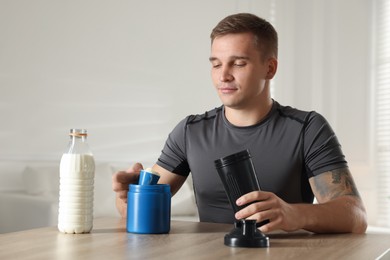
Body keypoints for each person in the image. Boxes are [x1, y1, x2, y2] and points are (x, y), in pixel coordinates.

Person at [112, 13, 367, 234]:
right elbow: (137, 211)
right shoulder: (190, 132)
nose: (223, 75)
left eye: (238, 63)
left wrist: (292, 214)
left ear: (270, 68)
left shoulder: (307, 128)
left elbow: (354, 216)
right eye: (216, 64)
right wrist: (128, 200)